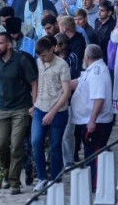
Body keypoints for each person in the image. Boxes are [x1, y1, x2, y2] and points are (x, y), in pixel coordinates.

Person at [0, 31, 37, 194]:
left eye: (0, 43)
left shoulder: (21, 60)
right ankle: (7, 173)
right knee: (1, 145)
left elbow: (33, 82)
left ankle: (15, 182)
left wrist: (34, 104)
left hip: (20, 109)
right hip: (2, 109)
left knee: (17, 146)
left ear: (9, 45)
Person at [70, 44, 114, 190]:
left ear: (87, 56)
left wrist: (92, 121)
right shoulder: (93, 70)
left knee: (94, 155)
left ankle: (95, 185)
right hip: (90, 120)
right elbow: (79, 82)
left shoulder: (97, 72)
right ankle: (93, 183)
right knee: (90, 153)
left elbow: (99, 98)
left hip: (96, 121)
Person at [31, 37, 71, 191]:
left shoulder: (62, 65)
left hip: (58, 110)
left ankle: (55, 178)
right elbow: (35, 83)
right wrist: (34, 104)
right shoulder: (38, 63)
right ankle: (41, 177)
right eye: (39, 56)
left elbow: (66, 92)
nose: (42, 59)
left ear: (52, 49)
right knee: (36, 141)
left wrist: (53, 112)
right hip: (40, 107)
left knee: (54, 146)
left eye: (44, 55)